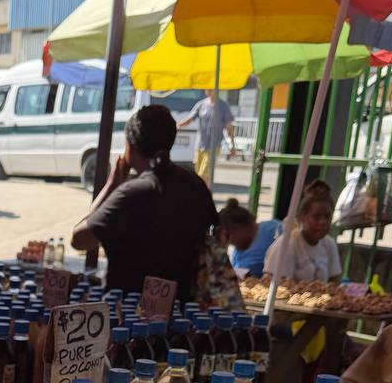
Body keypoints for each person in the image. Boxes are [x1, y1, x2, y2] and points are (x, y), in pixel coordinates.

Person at [71, 104, 218, 301]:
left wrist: (112, 184)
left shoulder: (131, 194)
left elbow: (79, 240)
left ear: (130, 147)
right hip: (182, 309)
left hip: (127, 311)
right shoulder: (195, 184)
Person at [264, 180, 341, 282]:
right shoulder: (286, 245)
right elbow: (274, 285)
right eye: (316, 217)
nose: (323, 222)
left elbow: (335, 282)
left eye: (327, 216)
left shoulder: (329, 244)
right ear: (302, 217)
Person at [178, 90, 236, 186]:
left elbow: (229, 127)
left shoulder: (223, 106)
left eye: (210, 88)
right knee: (198, 174)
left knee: (205, 174)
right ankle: (200, 192)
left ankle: (203, 192)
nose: (207, 90)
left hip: (213, 146)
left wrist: (232, 145)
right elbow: (190, 118)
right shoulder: (201, 104)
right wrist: (177, 125)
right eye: (207, 88)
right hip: (200, 145)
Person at [220, 199, 283, 277]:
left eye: (228, 236)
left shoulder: (274, 230)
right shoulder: (237, 253)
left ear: (238, 228)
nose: (229, 242)